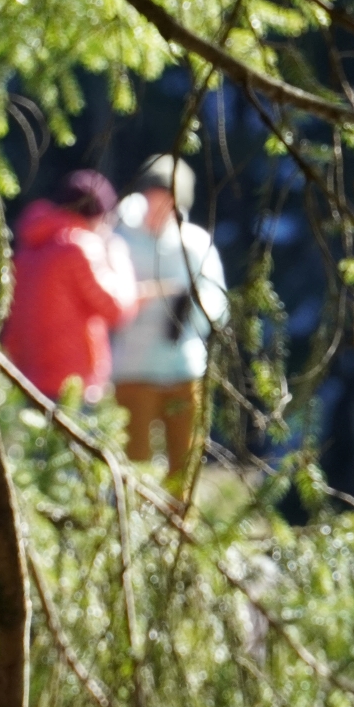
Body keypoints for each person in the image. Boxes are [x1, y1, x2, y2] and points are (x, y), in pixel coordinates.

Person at [111, 156, 227, 496]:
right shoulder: (120, 237)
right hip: (132, 370)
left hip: (183, 368)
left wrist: (189, 308)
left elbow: (218, 305)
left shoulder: (196, 244)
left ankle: (179, 534)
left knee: (184, 465)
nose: (159, 206)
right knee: (134, 463)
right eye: (154, 197)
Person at [1, 170, 139, 403]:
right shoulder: (79, 246)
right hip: (74, 384)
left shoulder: (29, 246)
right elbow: (116, 309)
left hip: (29, 379)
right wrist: (118, 257)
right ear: (98, 216)